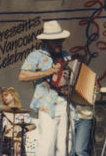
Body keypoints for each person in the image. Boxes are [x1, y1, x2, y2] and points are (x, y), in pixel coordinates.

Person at [18, 20, 72, 156]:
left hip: (64, 102)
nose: (59, 43)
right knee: (47, 143)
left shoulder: (66, 55)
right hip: (46, 102)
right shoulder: (36, 55)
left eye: (60, 40)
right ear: (46, 42)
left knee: (64, 144)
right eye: (55, 41)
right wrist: (47, 72)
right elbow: (22, 76)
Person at [0, 87, 36, 156]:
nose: (4, 97)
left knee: (17, 146)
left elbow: (33, 125)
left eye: (6, 95)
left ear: (13, 95)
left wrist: (24, 130)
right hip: (2, 140)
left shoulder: (22, 113)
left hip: (17, 140)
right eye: (2, 96)